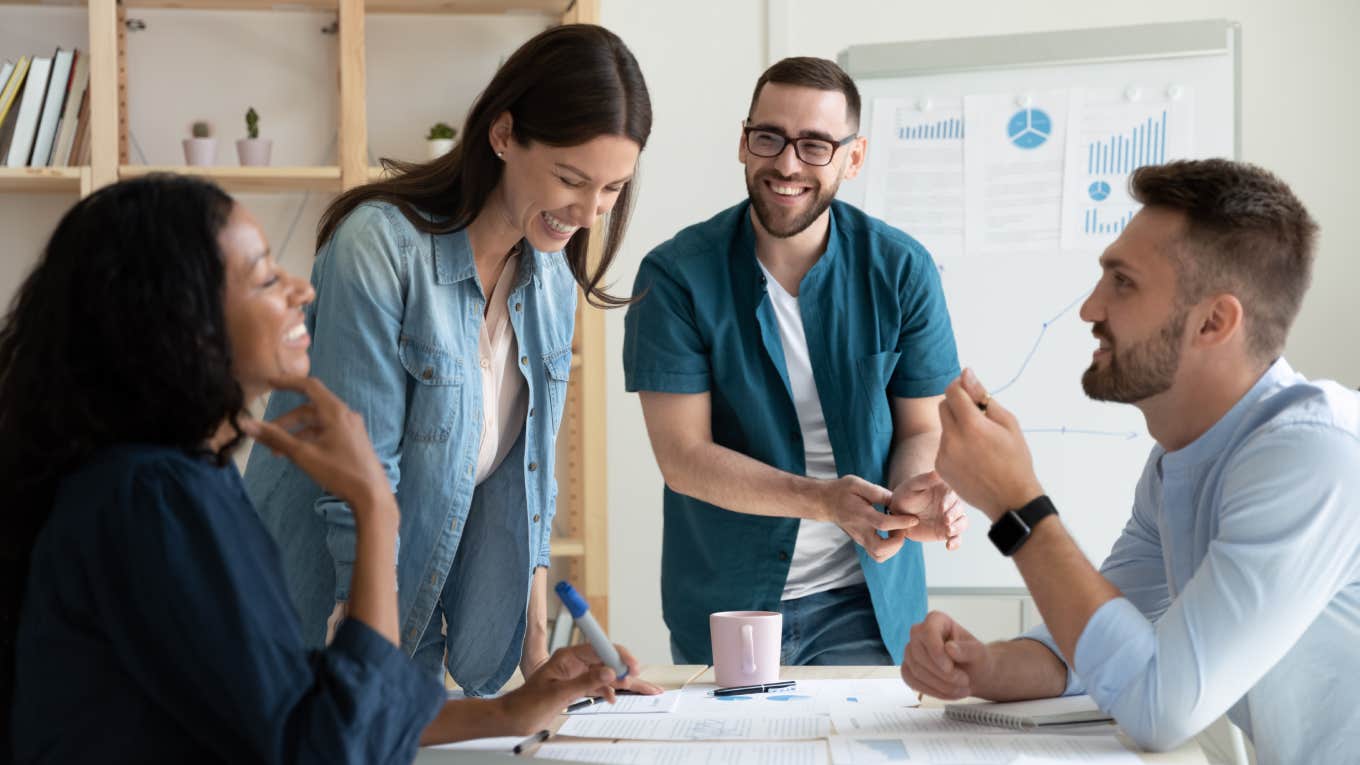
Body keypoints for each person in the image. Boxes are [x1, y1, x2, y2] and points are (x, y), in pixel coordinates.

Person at [1, 175, 645, 762]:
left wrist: (510, 710)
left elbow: (299, 702)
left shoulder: (186, 481)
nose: (300, 290)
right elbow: (327, 746)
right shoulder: (151, 503)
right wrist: (374, 509)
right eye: (263, 279)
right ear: (183, 324)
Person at [243, 24, 658, 695]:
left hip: (410, 625)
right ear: (502, 135)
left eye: (612, 189)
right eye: (570, 179)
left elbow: (532, 482)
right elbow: (360, 481)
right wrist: (366, 666)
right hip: (315, 620)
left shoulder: (549, 276)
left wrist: (541, 663)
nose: (588, 212)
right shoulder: (379, 250)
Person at [903, 159, 1360, 763]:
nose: (1090, 309)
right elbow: (1102, 643)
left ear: (1214, 322)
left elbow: (1156, 707)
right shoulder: (1181, 461)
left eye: (1122, 282)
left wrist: (1016, 504)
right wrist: (985, 668)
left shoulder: (1313, 454)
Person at [622, 57, 967, 667]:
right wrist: (825, 501)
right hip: (727, 604)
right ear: (743, 142)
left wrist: (908, 499)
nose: (786, 163)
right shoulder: (676, 276)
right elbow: (684, 459)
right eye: (769, 138)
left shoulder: (902, 269)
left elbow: (923, 427)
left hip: (864, 599)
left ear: (852, 159)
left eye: (815, 145)